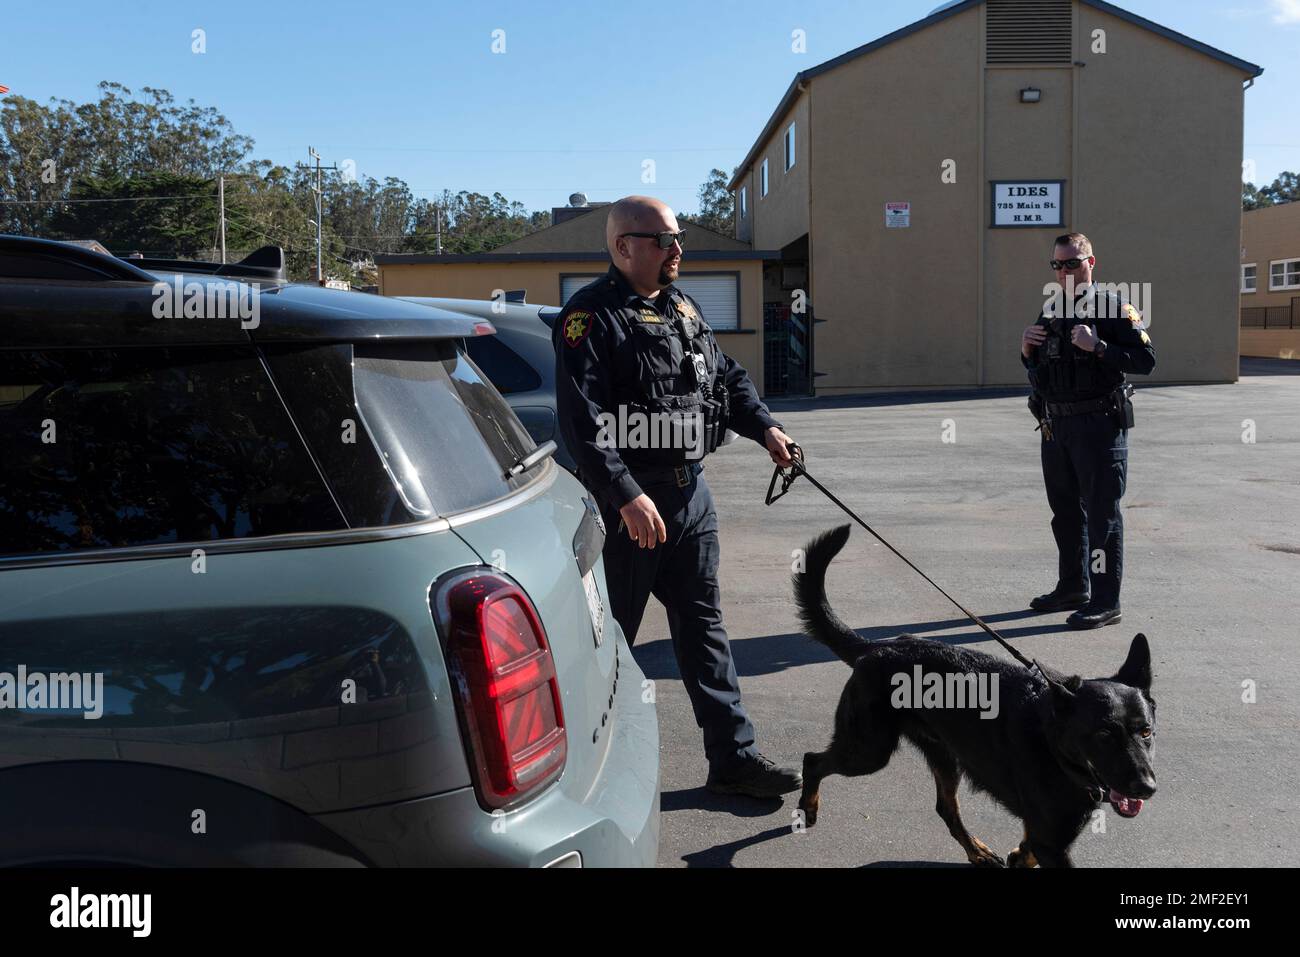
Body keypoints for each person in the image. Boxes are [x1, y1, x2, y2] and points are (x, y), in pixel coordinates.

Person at [554, 195, 802, 797]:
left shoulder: (683, 308)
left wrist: (764, 426)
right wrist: (625, 495)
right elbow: (582, 423)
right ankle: (583, 777)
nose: (676, 250)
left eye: (678, 238)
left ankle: (734, 759)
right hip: (631, 512)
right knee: (608, 642)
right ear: (623, 247)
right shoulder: (590, 317)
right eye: (663, 240)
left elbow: (727, 378)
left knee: (704, 631)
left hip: (691, 502)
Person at [1021, 232, 1155, 629]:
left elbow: (1147, 360)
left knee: (1101, 515)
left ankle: (1105, 600)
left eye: (1072, 263)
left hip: (1098, 427)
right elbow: (1044, 370)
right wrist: (1026, 351)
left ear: (1090, 263)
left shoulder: (1115, 307)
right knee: (1064, 513)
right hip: (1056, 426)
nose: (1064, 271)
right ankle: (1072, 587)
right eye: (1057, 265)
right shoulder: (1052, 310)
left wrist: (1098, 347)